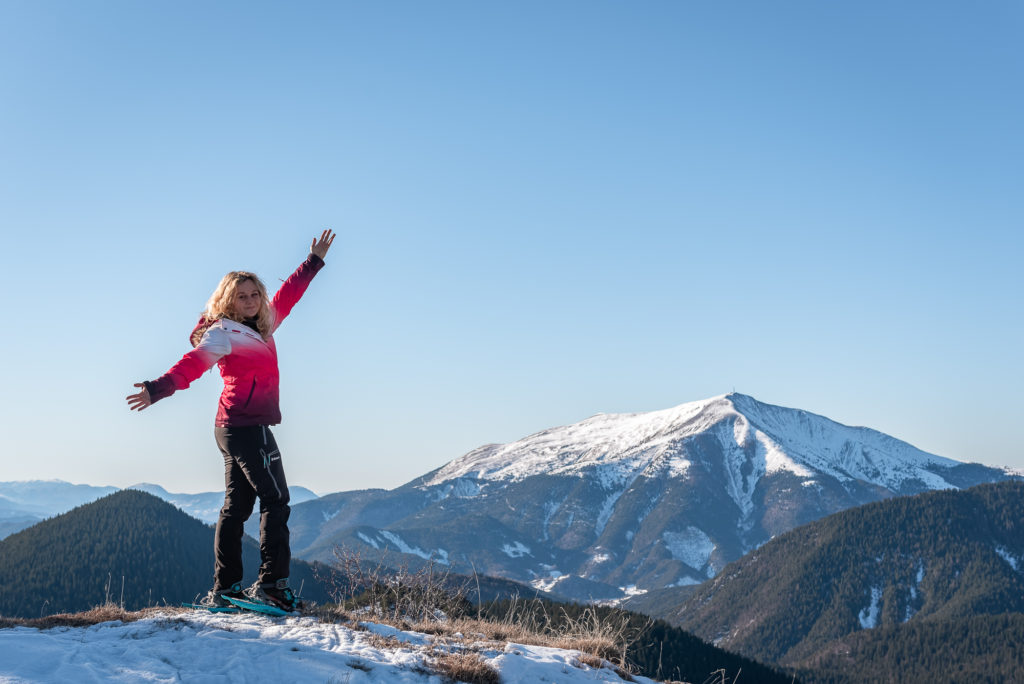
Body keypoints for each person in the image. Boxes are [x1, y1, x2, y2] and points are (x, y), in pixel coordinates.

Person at [126, 230, 336, 611]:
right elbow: (191, 365)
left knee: (236, 508)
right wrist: (157, 388)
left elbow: (288, 295)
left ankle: (226, 590)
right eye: (243, 296)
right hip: (243, 425)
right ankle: (272, 586)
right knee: (276, 499)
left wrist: (313, 262)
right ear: (228, 301)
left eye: (255, 294)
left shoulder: (265, 324)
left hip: (238, 426)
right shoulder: (223, 334)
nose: (252, 301)